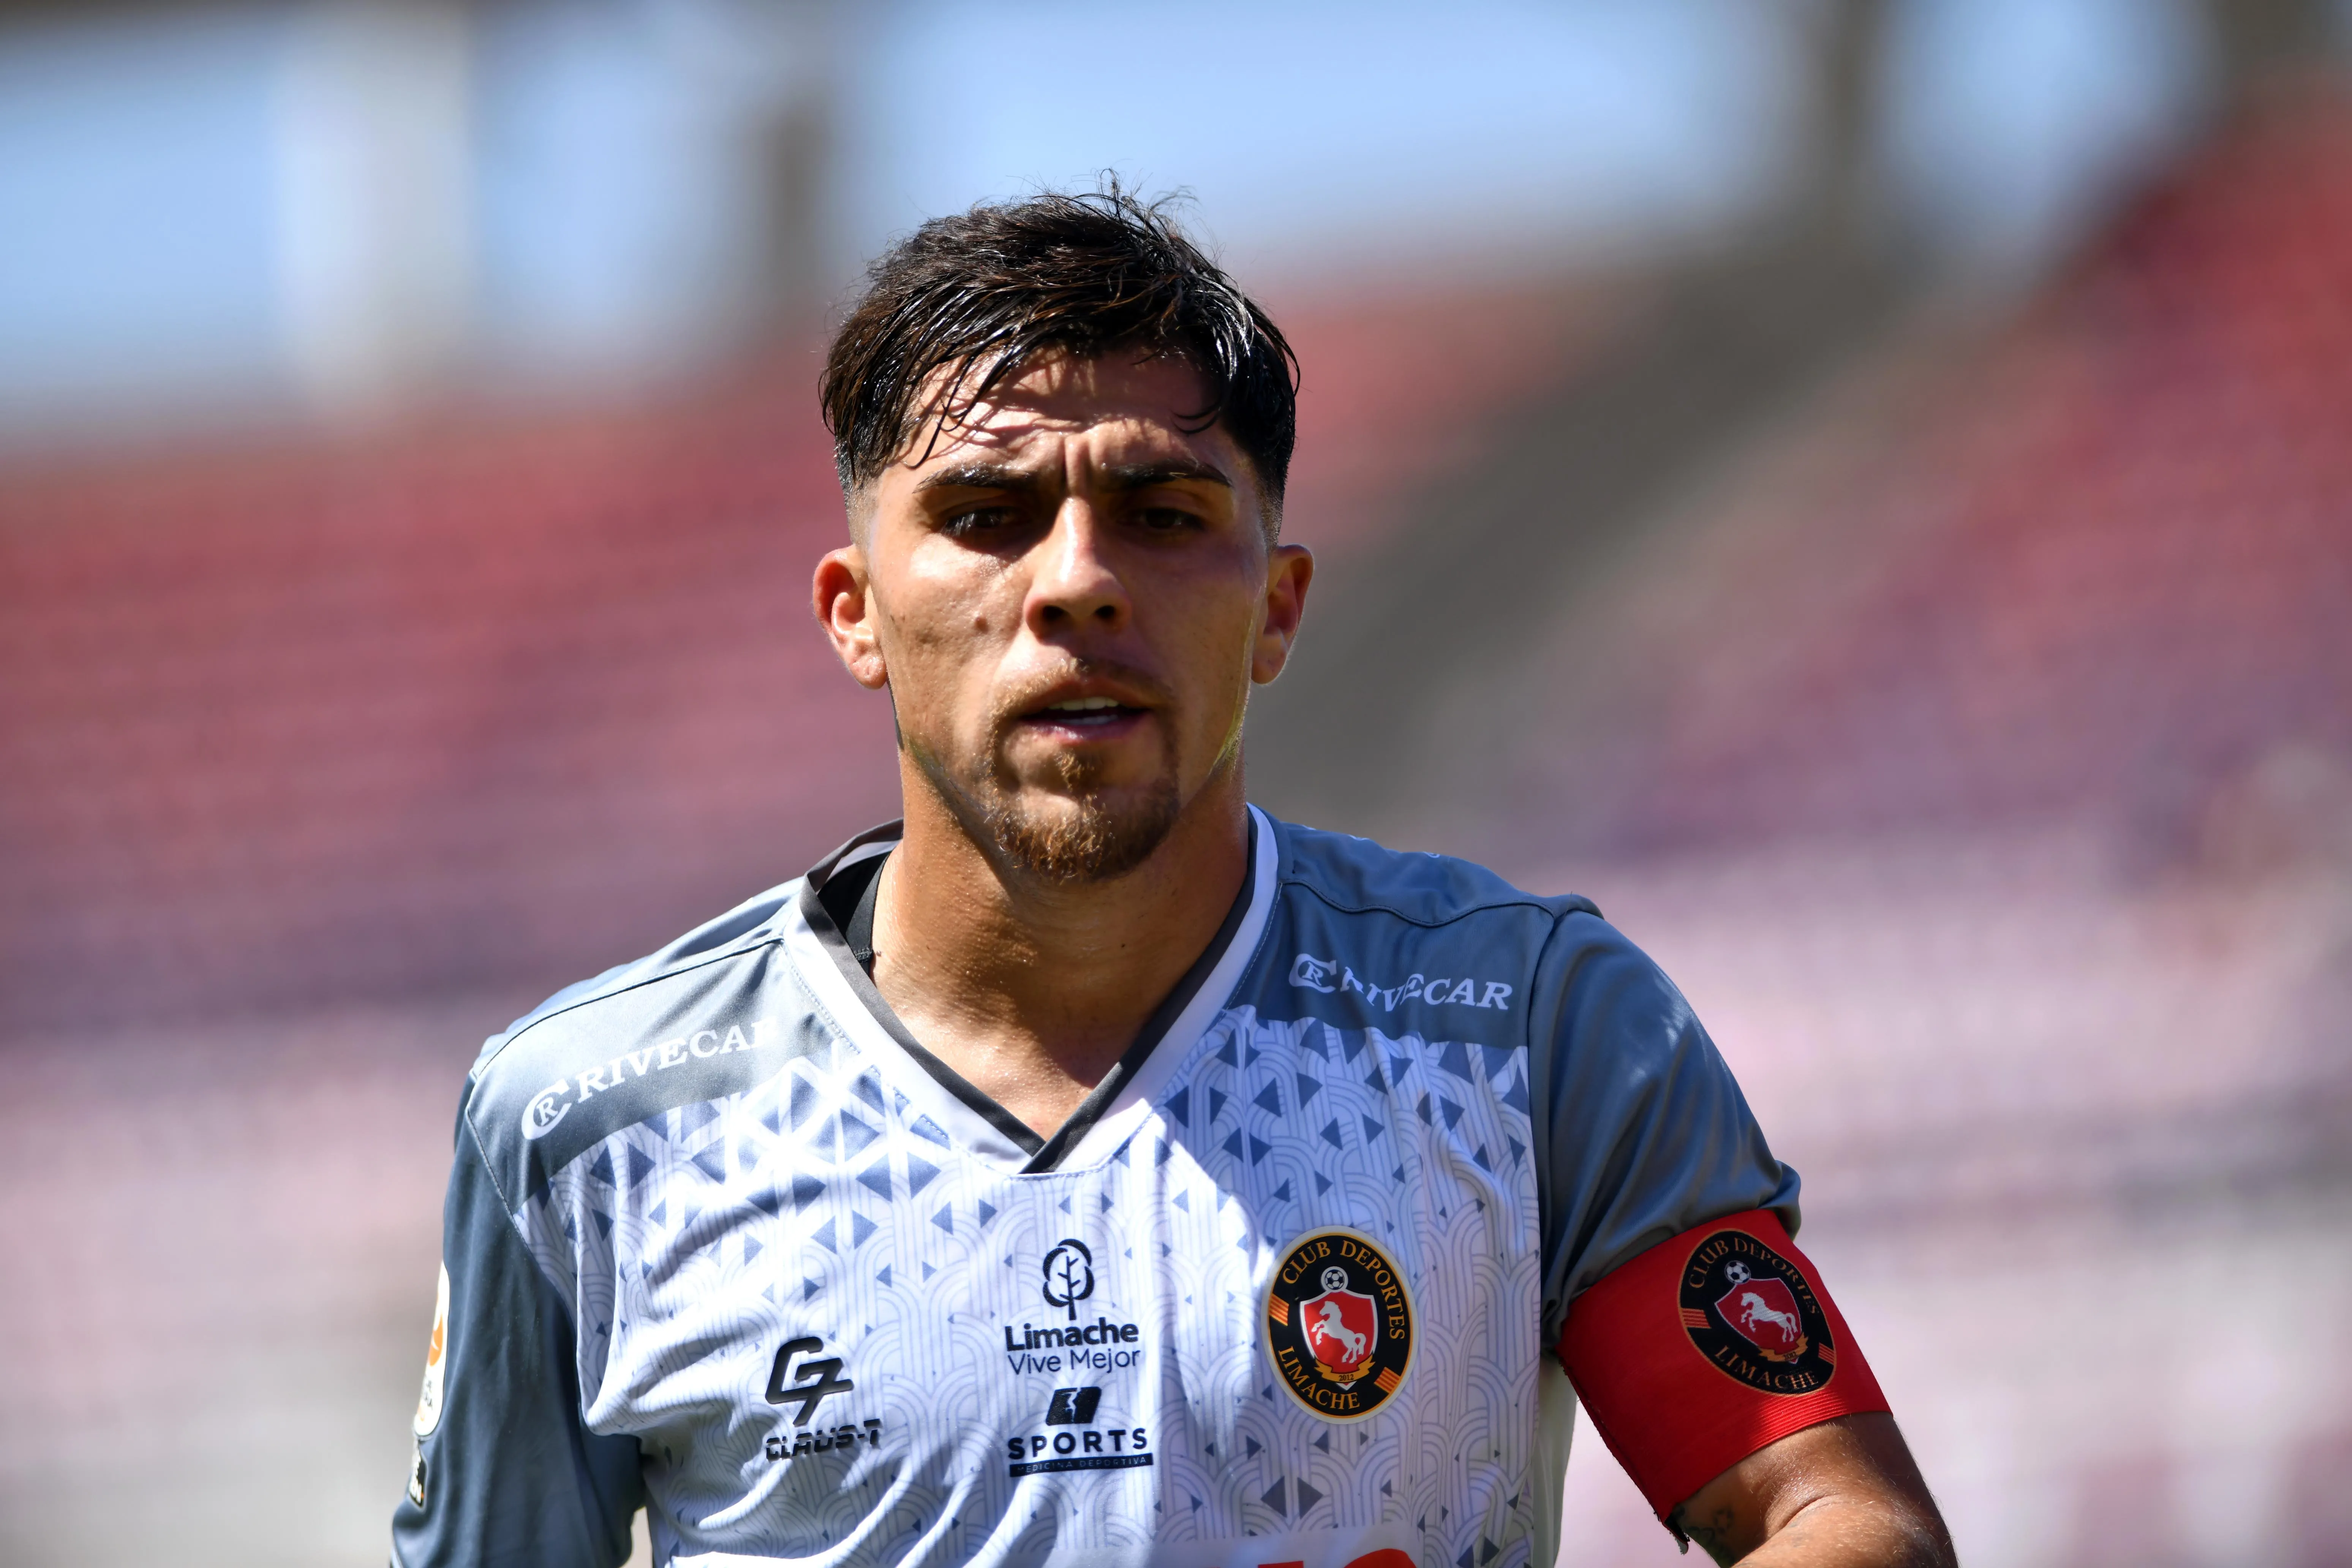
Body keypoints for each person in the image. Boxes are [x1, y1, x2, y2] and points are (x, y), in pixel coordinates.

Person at [391, 187, 1955, 1568]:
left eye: (1161, 513)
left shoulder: (1526, 1035)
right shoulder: (587, 1122)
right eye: (987, 517)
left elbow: (1830, 1516)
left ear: (1276, 609)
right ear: (853, 611)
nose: (1076, 580)